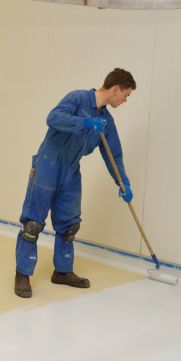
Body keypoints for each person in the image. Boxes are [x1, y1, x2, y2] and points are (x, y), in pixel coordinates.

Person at [15, 68, 136, 298]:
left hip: (71, 170)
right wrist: (86, 122)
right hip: (48, 165)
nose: (125, 100)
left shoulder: (106, 121)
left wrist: (123, 183)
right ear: (115, 89)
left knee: (70, 226)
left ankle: (62, 272)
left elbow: (114, 154)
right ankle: (22, 274)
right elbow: (53, 118)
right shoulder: (78, 98)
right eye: (126, 95)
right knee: (33, 225)